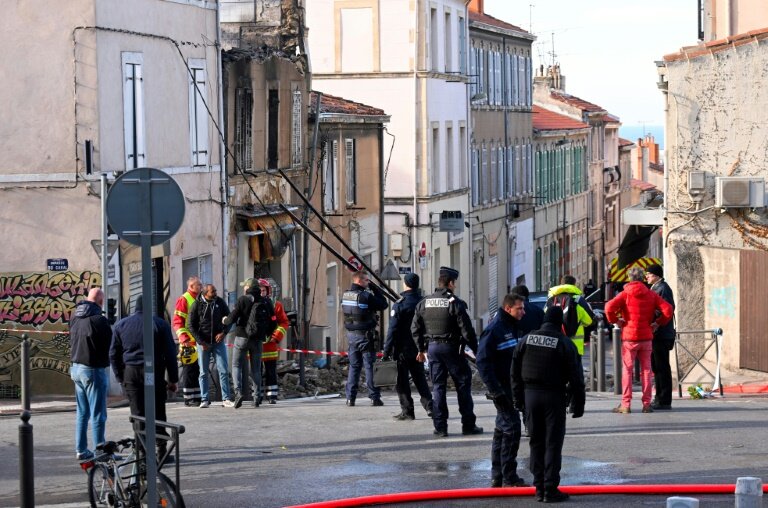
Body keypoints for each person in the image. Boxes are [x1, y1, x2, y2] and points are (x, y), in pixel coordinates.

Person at [512, 307, 585, 503]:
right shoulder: (564, 343)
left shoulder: (525, 340)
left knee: (535, 441)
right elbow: (577, 378)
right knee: (552, 442)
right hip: (554, 397)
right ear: (560, 323)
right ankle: (550, 489)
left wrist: (518, 400)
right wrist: (578, 405)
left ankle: (539, 487)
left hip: (531, 396)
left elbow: (515, 373)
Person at [412, 266, 483, 438]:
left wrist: (421, 349)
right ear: (450, 283)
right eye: (455, 283)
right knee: (463, 385)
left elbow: (415, 328)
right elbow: (467, 330)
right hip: (452, 349)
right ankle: (468, 425)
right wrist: (477, 351)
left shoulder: (424, 302)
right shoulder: (455, 303)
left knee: (438, 387)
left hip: (433, 349)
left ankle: (441, 427)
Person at [110, 295, 179, 458]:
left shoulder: (121, 325)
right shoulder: (160, 324)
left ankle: (141, 453)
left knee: (137, 413)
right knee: (158, 411)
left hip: (131, 372)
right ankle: (161, 451)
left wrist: (121, 377)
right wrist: (173, 379)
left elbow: (113, 354)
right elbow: (170, 354)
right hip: (153, 371)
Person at [605, 267, 674, 414]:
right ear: (643, 278)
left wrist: (617, 321)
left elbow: (609, 307)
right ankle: (647, 404)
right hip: (646, 337)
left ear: (629, 278)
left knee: (627, 371)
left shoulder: (625, 294)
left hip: (629, 337)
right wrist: (657, 323)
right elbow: (668, 309)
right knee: (647, 371)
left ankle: (626, 404)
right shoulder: (651, 294)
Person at [476, 293, 528, 488]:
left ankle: (497, 475)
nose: (523, 312)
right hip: (502, 390)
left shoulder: (512, 327)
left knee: (501, 431)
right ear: (508, 309)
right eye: (519, 308)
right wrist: (496, 390)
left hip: (511, 387)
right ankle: (509, 476)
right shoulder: (495, 330)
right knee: (512, 430)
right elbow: (482, 362)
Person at [69, 288, 112, 460]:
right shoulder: (100, 320)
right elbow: (109, 344)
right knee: (98, 413)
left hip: (76, 368)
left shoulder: (74, 317)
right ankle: (100, 451)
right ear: (101, 303)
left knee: (82, 412)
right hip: (92, 370)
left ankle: (81, 450)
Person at [383, 273, 433, 421]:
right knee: (420, 379)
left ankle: (408, 411)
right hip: (419, 348)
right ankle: (430, 406)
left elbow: (392, 330)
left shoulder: (400, 304)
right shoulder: (423, 302)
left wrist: (386, 351)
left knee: (402, 381)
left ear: (405, 284)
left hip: (402, 349)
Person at [342, 270, 389, 406]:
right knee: (370, 366)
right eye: (366, 280)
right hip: (365, 336)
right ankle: (374, 398)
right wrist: (376, 289)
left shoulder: (345, 295)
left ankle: (350, 398)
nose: (368, 283)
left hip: (351, 336)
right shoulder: (365, 296)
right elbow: (383, 304)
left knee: (354, 367)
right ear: (359, 281)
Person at [189, 284, 234, 408]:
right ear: (205, 293)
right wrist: (200, 342)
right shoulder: (197, 305)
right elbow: (190, 325)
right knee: (203, 372)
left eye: (215, 290)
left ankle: (226, 399)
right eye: (212, 291)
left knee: (223, 370)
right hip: (203, 343)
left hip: (218, 343)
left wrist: (223, 333)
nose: (215, 293)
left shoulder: (219, 302)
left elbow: (230, 319)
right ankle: (205, 399)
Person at [223, 277, 263, 408]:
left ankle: (238, 393)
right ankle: (257, 397)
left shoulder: (242, 299)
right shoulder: (264, 300)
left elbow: (232, 317)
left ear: (247, 287)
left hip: (241, 337)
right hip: (257, 339)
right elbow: (273, 320)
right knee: (256, 369)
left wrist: (224, 320)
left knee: (236, 366)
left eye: (244, 286)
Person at [645, 264, 676, 411]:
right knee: (657, 367)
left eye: (649, 274)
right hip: (658, 333)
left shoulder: (662, 288)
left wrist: (655, 322)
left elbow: (666, 310)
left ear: (656, 275)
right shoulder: (656, 288)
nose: (647, 277)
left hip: (661, 334)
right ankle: (659, 398)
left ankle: (663, 400)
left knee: (662, 367)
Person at [257, 278, 290, 404]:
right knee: (256, 371)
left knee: (271, 371)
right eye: (259, 290)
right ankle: (258, 395)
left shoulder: (276, 305)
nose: (261, 293)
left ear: (268, 291)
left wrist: (277, 336)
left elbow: (284, 322)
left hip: (270, 344)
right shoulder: (251, 304)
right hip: (256, 344)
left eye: (263, 290)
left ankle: (272, 396)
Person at [172, 276, 202, 406]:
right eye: (198, 285)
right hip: (188, 342)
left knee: (197, 371)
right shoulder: (184, 299)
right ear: (191, 286)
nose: (201, 286)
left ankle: (197, 397)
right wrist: (183, 338)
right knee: (189, 371)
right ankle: (189, 398)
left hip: (198, 342)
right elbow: (177, 322)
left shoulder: (199, 298)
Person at [545, 275, 594, 356]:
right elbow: (589, 320)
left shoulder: (551, 300)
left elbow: (544, 318)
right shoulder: (578, 300)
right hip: (574, 347)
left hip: (554, 345)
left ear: (561, 284)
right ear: (574, 285)